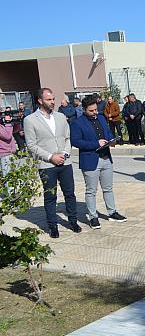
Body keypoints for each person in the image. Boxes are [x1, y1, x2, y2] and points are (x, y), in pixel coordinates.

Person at [24, 88, 82, 238]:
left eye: (53, 99)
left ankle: (73, 221)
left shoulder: (61, 117)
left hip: (65, 162)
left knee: (70, 194)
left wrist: (65, 153)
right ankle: (53, 226)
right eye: (49, 99)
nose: (52, 102)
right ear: (40, 100)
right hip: (47, 165)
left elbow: (68, 138)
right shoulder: (30, 120)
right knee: (50, 197)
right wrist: (50, 157)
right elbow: (31, 145)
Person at [70, 95, 127, 229]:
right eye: (91, 110)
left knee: (108, 188)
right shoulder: (77, 123)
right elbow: (76, 141)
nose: (95, 112)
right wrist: (95, 143)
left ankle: (112, 212)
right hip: (90, 160)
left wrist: (111, 140)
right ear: (84, 110)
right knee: (91, 190)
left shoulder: (101, 117)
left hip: (106, 157)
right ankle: (93, 216)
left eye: (96, 109)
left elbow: (107, 132)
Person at [0, 107, 17, 176]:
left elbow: (15, 131)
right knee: (9, 180)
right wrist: (8, 122)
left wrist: (15, 121)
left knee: (12, 177)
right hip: (4, 154)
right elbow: (7, 136)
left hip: (8, 153)